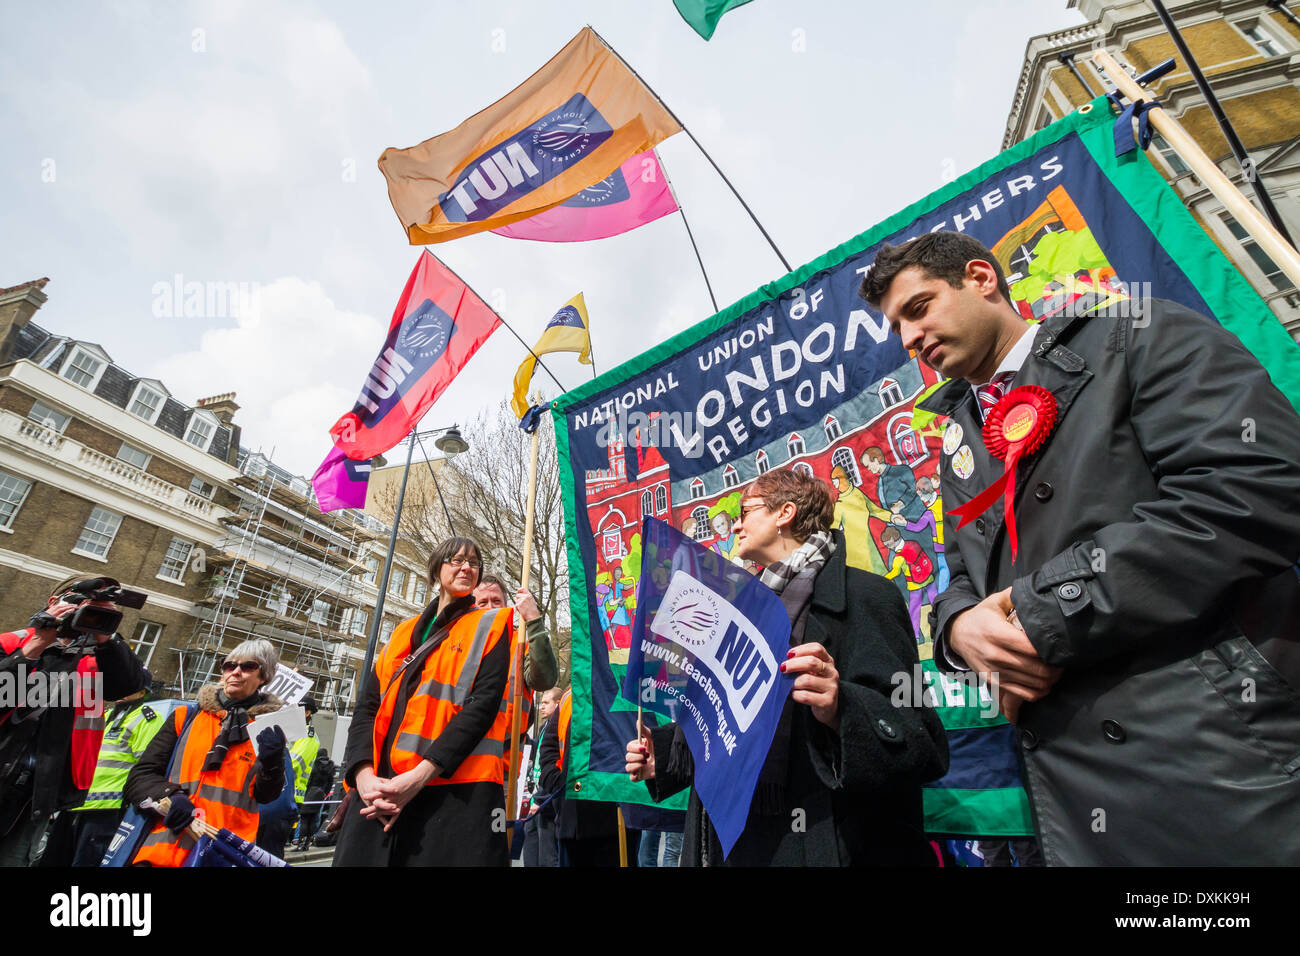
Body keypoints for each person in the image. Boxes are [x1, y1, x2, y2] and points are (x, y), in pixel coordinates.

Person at [863, 229, 1300, 865]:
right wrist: (959, 629)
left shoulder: (1133, 335)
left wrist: (1042, 614)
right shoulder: (959, 445)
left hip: (1222, 757)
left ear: (982, 279)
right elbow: (958, 576)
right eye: (897, 326)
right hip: (1071, 794)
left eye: (919, 307)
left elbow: (1255, 489)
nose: (908, 339)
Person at [625, 467, 950, 865]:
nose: (738, 524)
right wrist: (665, 756)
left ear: (785, 513)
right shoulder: (739, 607)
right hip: (731, 843)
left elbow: (923, 742)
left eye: (747, 511)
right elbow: (732, 720)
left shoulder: (868, 596)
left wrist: (841, 706)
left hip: (819, 842)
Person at [333, 536, 515, 867]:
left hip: (451, 791)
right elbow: (367, 708)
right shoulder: (403, 632)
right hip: (379, 789)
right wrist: (363, 777)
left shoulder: (492, 624)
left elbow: (482, 707)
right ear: (435, 570)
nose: (466, 567)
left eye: (474, 563)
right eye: (456, 560)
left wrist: (418, 777)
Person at [0, 574, 149, 866]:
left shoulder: (97, 660)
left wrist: (106, 633)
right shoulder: (10, 643)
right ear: (54, 602)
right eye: (79, 604)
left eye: (94, 608)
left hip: (38, 793)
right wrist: (38, 643)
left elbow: (130, 686)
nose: (84, 612)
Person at [125, 639, 287, 866]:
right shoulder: (186, 717)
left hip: (221, 853)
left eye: (248, 666)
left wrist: (273, 762)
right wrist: (171, 795)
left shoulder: (267, 729)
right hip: (161, 850)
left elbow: (267, 796)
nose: (236, 672)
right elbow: (140, 776)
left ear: (264, 677)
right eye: (229, 665)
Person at [57, 678, 168, 867]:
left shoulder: (148, 718)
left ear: (142, 692)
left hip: (108, 809)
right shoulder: (105, 714)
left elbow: (147, 767)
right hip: (76, 804)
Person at [522, 687, 562, 866]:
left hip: (547, 800)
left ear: (558, 703)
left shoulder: (558, 727)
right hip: (536, 796)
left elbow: (552, 764)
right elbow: (536, 751)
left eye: (546, 703)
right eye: (542, 702)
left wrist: (540, 799)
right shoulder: (544, 727)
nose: (542, 707)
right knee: (531, 844)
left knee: (547, 854)